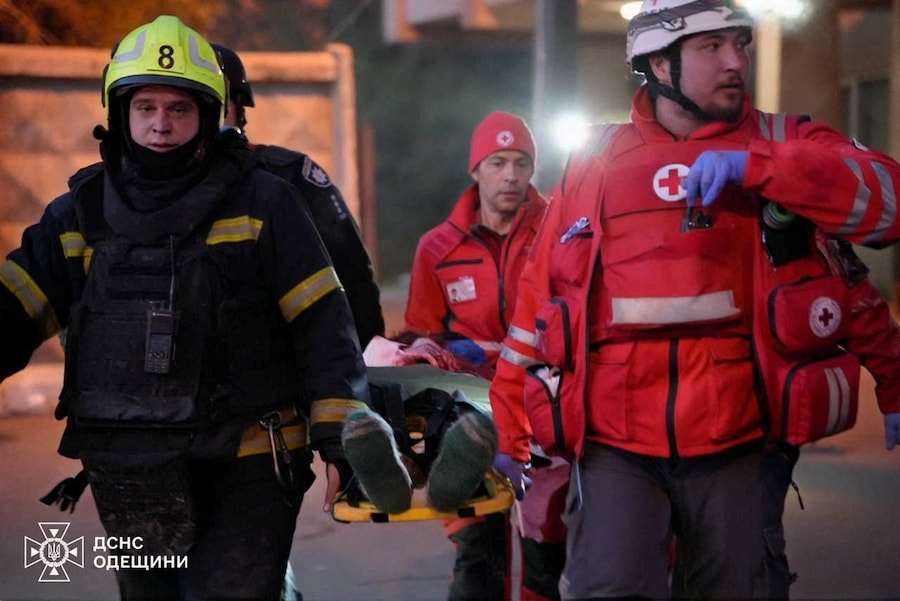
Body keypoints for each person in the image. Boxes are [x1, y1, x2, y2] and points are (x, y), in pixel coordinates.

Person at [489, 1, 900, 599]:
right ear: (658, 63)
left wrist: (759, 167)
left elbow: (888, 206)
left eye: (741, 45)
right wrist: (508, 428)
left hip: (741, 442)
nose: (736, 63)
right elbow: (537, 305)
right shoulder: (595, 161)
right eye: (712, 48)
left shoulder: (785, 141)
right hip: (613, 446)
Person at [3, 15, 368, 600]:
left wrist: (340, 441)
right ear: (119, 111)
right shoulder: (79, 212)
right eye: (145, 107)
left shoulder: (265, 200)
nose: (160, 125)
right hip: (130, 468)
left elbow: (323, 323)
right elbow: (18, 305)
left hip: (248, 462)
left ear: (207, 114)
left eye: (179, 109)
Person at [401, 110, 566, 601]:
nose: (511, 175)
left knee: (546, 552)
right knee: (478, 547)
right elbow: (420, 340)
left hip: (543, 404)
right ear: (476, 170)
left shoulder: (558, 234)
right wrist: (446, 356)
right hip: (468, 412)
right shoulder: (437, 247)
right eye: (498, 162)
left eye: (520, 162)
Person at [213, 43, 385, 348]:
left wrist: (369, 360)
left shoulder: (290, 176)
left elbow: (352, 273)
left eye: (216, 106)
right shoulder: (129, 192)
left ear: (240, 110)